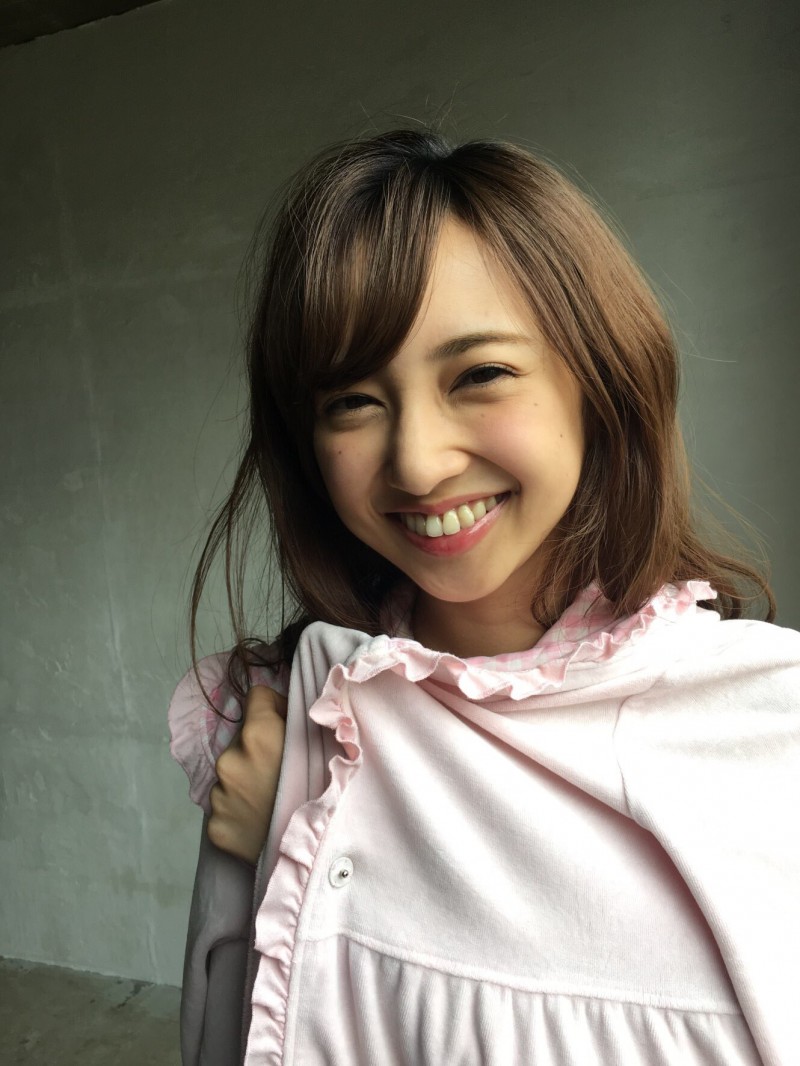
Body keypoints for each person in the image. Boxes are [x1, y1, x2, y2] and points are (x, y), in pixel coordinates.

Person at [168, 129, 800, 1066]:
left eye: (480, 376)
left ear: (599, 379)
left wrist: (307, 808)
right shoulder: (279, 718)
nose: (419, 463)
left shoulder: (762, 725)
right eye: (353, 401)